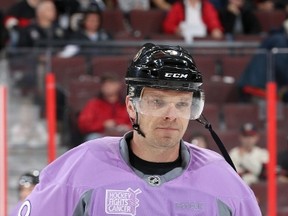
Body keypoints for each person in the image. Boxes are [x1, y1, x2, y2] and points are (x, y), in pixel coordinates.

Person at [14, 43, 261, 215]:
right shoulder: (79, 168)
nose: (171, 115)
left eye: (182, 103)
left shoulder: (223, 180)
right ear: (131, 108)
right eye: (157, 102)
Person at [77, 73, 131, 140]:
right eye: (104, 84)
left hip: (123, 135)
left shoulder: (127, 104)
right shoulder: (93, 104)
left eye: (111, 83)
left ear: (118, 85)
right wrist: (103, 125)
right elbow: (83, 125)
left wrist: (123, 126)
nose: (107, 86)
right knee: (93, 138)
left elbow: (136, 123)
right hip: (101, 135)